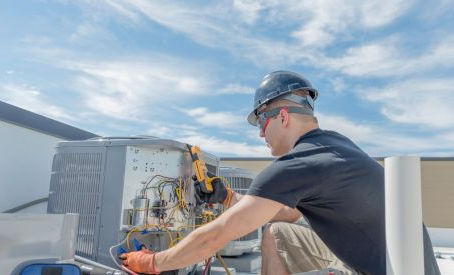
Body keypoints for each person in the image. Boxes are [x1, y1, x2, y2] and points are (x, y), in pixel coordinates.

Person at [120, 71, 440, 275]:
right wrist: (229, 197)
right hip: (406, 265)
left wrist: (152, 263)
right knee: (276, 233)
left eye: (261, 122)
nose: (261, 135)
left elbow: (217, 236)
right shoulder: (335, 147)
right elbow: (287, 215)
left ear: (282, 116)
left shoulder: (296, 164)